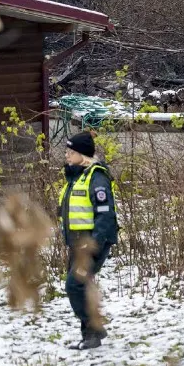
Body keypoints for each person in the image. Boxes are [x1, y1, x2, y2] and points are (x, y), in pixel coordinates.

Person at [59, 131, 118, 350]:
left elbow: (105, 215)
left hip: (91, 243)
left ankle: (95, 329)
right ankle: (90, 337)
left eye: (70, 151)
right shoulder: (76, 176)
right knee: (81, 287)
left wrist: (94, 243)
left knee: (74, 285)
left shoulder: (97, 178)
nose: (66, 155)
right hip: (77, 242)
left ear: (82, 154)